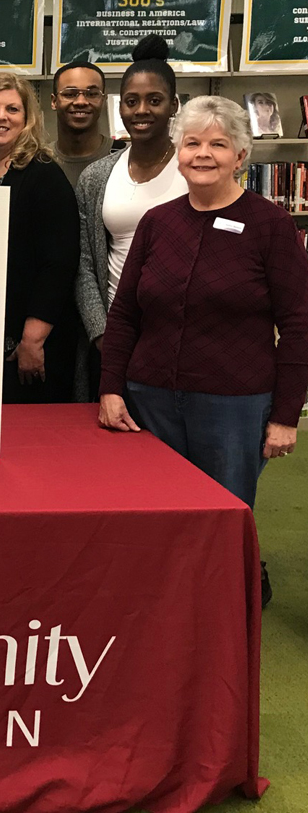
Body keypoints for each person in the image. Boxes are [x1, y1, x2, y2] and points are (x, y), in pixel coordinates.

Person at [99, 95, 308, 604]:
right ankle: (163, 604)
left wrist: (285, 415)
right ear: (177, 151)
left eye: (219, 144)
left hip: (233, 404)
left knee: (225, 512)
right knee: (158, 512)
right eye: (192, 142)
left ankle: (226, 602)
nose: (203, 153)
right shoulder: (157, 223)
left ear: (241, 155)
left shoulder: (270, 226)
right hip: (150, 397)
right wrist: (111, 389)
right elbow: (124, 314)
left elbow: (299, 325)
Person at [0, 73, 80, 403]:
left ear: (26, 120)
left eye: (13, 109)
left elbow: (59, 263)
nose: (1, 116)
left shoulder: (43, 174)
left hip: (23, 341)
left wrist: (32, 340)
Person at [74, 37, 189, 400]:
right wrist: (101, 332)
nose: (142, 110)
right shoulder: (97, 176)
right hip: (115, 335)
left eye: (154, 100)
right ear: (119, 107)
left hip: (183, 337)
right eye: (131, 101)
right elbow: (85, 262)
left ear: (174, 105)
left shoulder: (195, 171)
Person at [50, 59, 121, 187]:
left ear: (103, 100)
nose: (81, 101)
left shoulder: (124, 158)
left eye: (92, 94)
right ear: (54, 101)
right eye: (70, 94)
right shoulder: (40, 160)